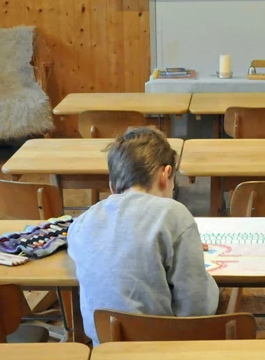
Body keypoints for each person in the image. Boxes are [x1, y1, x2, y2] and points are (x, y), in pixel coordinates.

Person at [68, 126, 218, 344]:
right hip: (160, 347)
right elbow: (197, 308)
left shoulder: (82, 221)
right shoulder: (173, 213)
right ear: (166, 174)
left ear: (112, 187)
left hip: (104, 348)